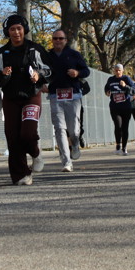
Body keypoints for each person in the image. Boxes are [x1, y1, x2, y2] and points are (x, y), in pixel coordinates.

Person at [0, 14, 51, 186]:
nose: (16, 32)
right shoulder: (2, 52)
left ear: (24, 30)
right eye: (12, 29)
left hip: (32, 96)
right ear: (7, 32)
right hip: (10, 98)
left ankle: (36, 153)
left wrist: (39, 74)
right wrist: (2, 74)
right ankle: (21, 175)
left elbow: (49, 69)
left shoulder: (35, 49)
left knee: (27, 133)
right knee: (12, 136)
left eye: (19, 29)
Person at [45, 29, 89, 172]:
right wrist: (42, 84)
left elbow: (86, 71)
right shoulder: (47, 56)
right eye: (55, 38)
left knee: (74, 130)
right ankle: (66, 161)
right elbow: (41, 72)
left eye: (60, 38)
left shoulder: (74, 54)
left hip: (73, 95)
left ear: (65, 40)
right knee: (59, 128)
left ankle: (75, 143)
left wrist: (77, 73)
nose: (58, 41)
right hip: (55, 95)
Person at [105, 64, 135, 155]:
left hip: (126, 107)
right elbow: (106, 88)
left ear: (122, 71)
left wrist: (125, 86)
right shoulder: (111, 79)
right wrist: (107, 92)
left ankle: (124, 148)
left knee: (125, 127)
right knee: (118, 126)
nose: (117, 72)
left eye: (119, 70)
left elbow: (133, 91)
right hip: (115, 107)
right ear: (114, 71)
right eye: (116, 70)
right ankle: (118, 146)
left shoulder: (126, 79)